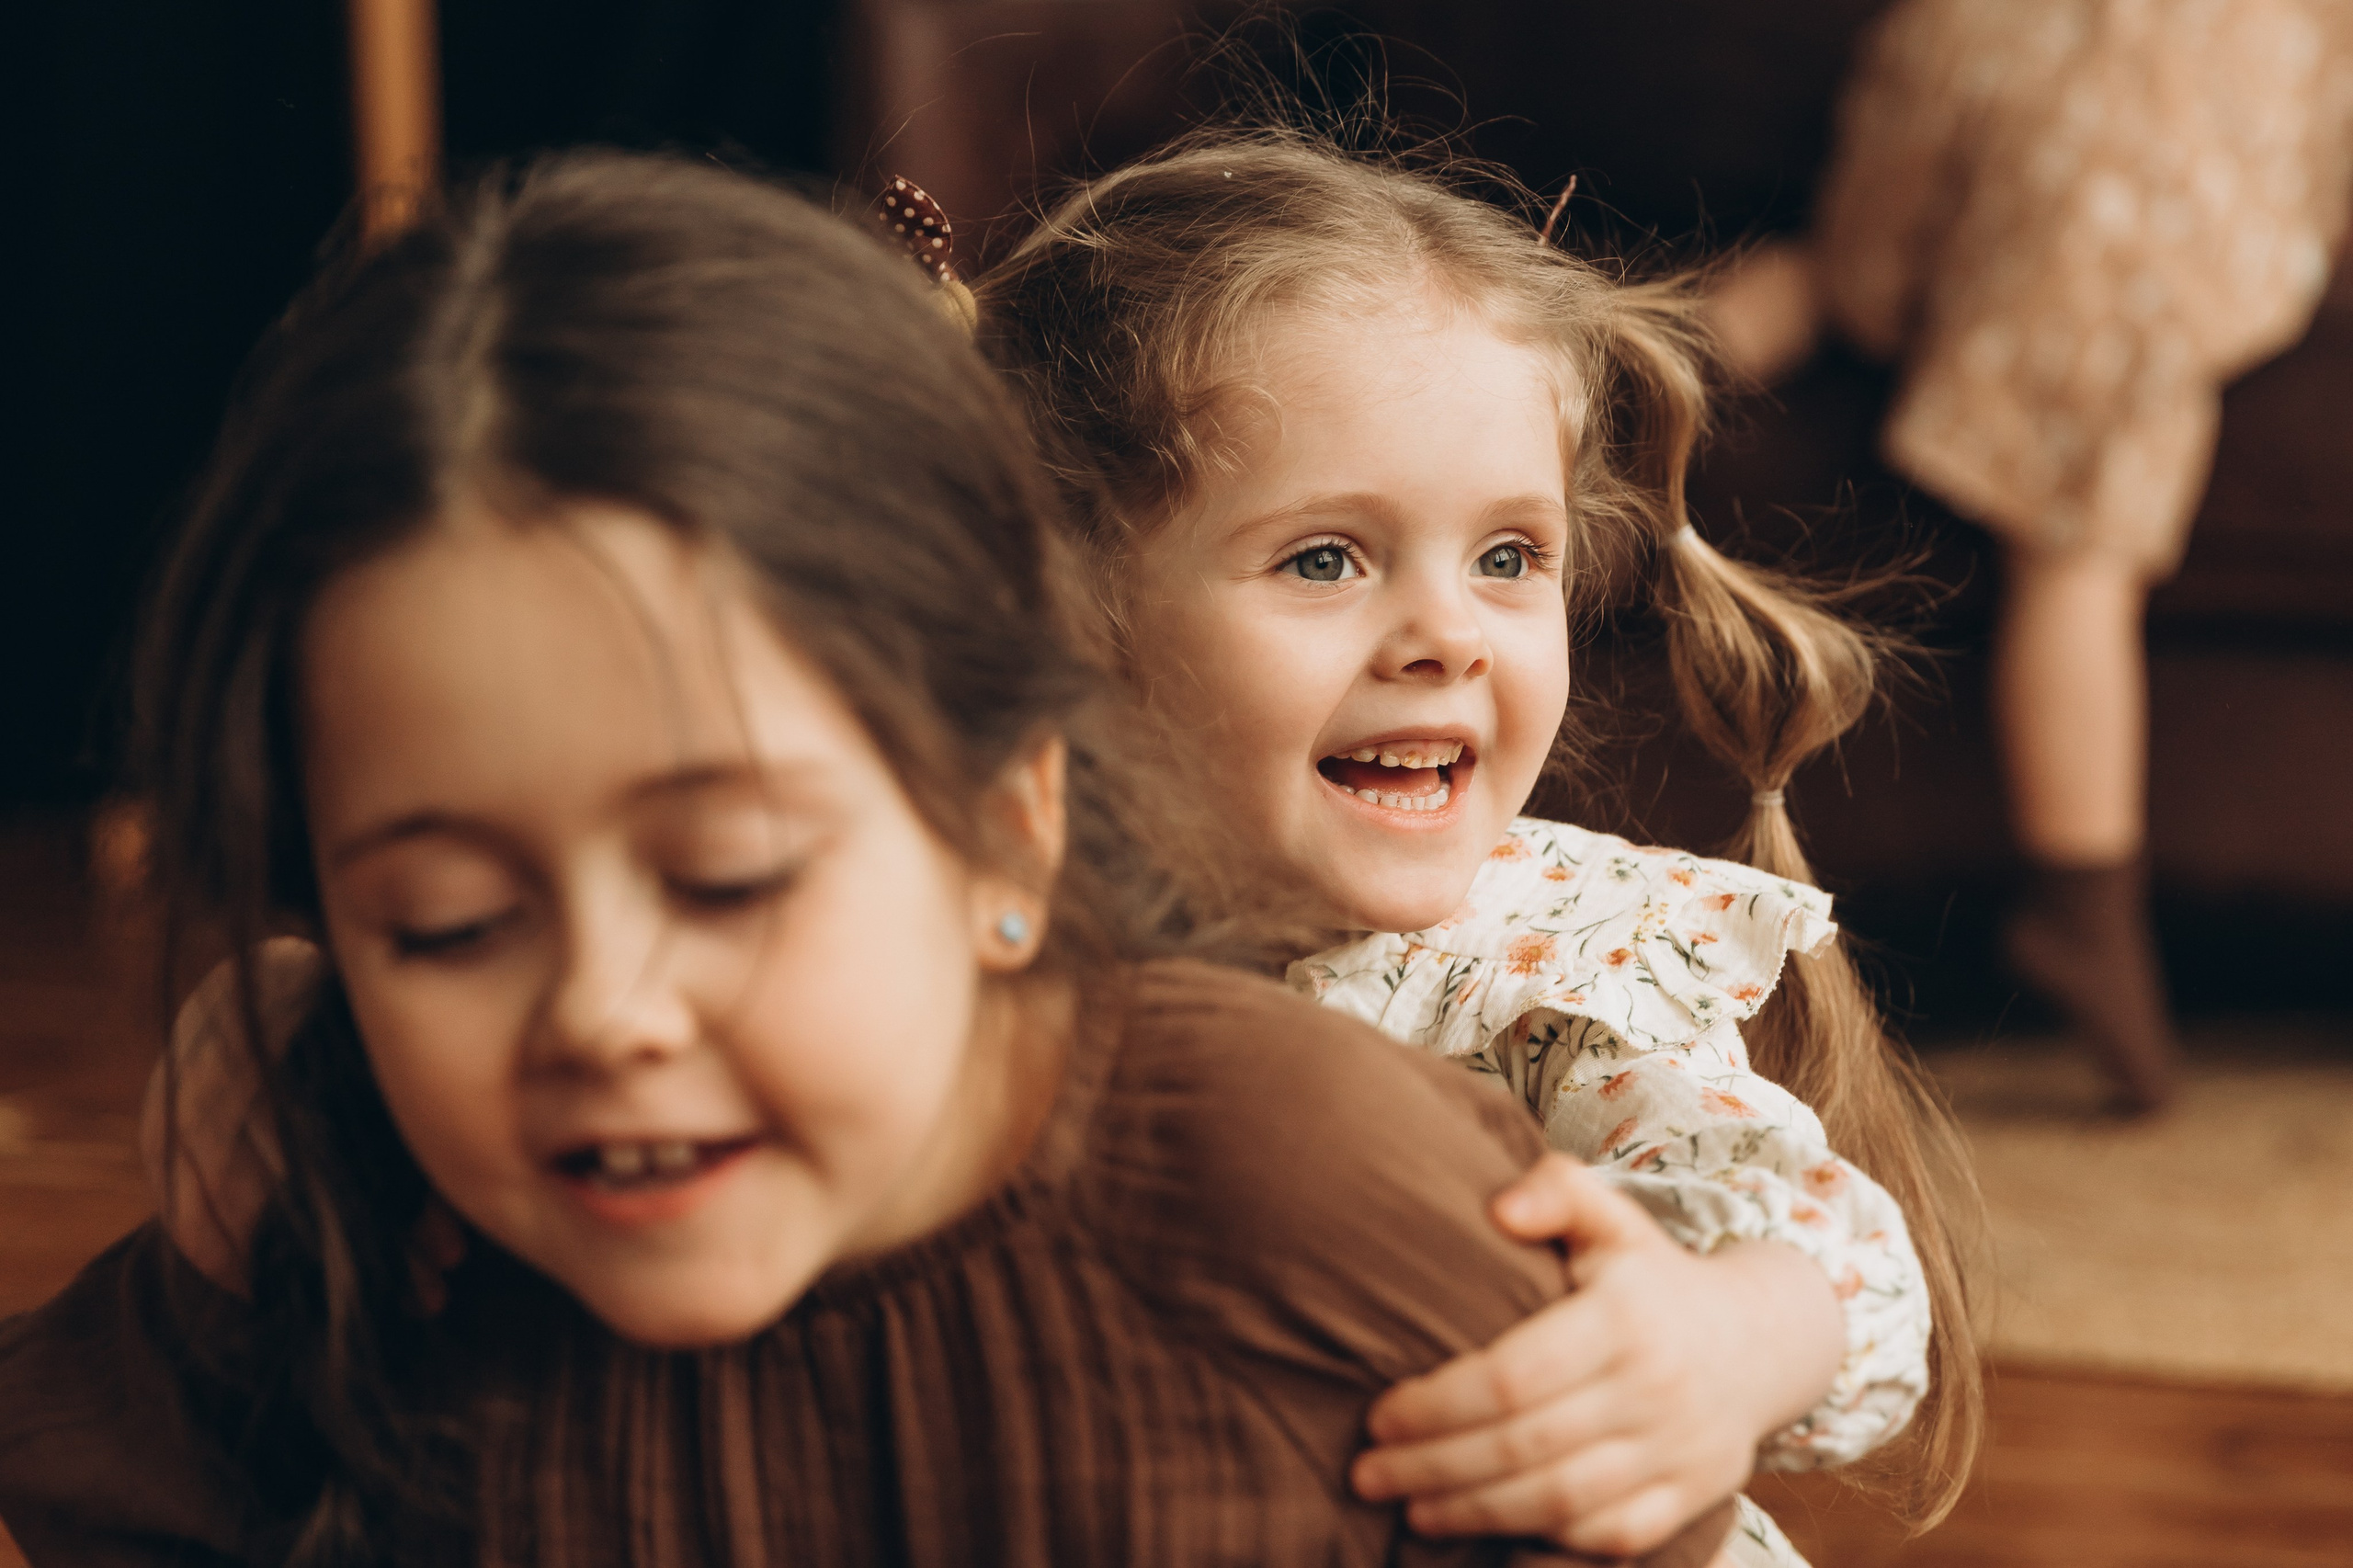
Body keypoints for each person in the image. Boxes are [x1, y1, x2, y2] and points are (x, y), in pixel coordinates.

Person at [0, 152, 1743, 1568]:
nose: (603, 1014)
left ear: (1009, 823)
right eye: (446, 925)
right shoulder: (358, 1217)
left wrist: (1747, 1330)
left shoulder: (1304, 1192)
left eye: (731, 880)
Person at [969, 129, 1982, 1560]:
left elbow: (1844, 1254)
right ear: (1069, 614)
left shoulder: (1531, 971)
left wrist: (1722, 1341)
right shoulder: (981, 934)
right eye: (1327, 557)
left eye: (1511, 557)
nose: (1449, 635)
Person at [1706, 0, 2353, 1111]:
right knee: (2075, 564)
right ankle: (2081, 901)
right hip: (2126, 252)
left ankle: (1637, 361)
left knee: (1827, 271)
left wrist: (1882, 275)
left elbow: (1904, 143)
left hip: (1988, 183)